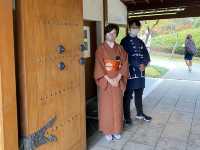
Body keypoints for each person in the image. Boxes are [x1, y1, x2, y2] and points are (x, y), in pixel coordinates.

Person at [94, 24, 128, 141]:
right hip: (106, 82)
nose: (111, 35)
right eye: (109, 33)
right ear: (105, 34)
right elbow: (99, 66)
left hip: (117, 81)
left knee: (118, 106)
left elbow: (124, 64)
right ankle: (107, 131)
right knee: (106, 108)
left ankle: (117, 130)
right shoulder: (100, 49)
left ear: (116, 34)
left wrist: (118, 78)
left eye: (114, 33)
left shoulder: (120, 49)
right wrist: (110, 80)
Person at [121, 20, 152, 125]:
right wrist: (136, 65)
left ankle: (140, 113)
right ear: (129, 28)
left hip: (141, 73)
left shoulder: (140, 42)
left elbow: (146, 55)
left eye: (137, 27)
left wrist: (144, 63)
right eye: (133, 27)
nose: (135, 29)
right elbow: (124, 57)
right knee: (128, 96)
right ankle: (127, 117)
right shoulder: (124, 41)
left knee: (139, 94)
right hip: (130, 72)